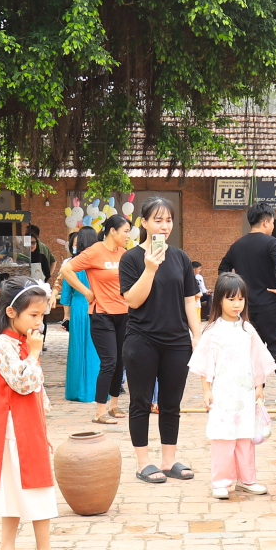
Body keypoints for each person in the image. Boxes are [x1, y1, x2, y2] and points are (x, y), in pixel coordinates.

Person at [120, 197, 202, 485]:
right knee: (140, 402)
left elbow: (189, 300)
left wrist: (197, 334)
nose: (164, 225)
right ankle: (144, 462)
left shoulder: (180, 257)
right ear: (143, 223)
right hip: (142, 340)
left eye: (168, 220)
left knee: (172, 403)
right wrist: (150, 268)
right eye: (158, 219)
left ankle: (169, 461)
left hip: (176, 341)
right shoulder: (131, 258)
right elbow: (132, 299)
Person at [0, 277, 66, 550]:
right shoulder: (4, 345)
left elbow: (37, 391)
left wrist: (43, 430)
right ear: (11, 312)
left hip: (26, 424)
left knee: (16, 485)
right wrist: (33, 353)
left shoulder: (20, 341)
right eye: (33, 315)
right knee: (34, 485)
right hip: (14, 426)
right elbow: (23, 383)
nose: (38, 322)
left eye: (42, 315)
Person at [188, 273, 276, 501]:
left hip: (245, 392)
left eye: (240, 299)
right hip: (223, 394)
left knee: (245, 436)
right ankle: (221, 481)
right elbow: (206, 363)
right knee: (223, 436)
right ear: (218, 300)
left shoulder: (248, 330)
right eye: (230, 299)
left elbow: (257, 359)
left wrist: (259, 386)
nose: (237, 304)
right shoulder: (212, 331)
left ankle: (247, 479)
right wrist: (206, 390)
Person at [66, 214, 133, 422]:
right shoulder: (94, 251)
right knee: (109, 362)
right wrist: (86, 292)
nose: (128, 236)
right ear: (112, 231)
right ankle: (100, 411)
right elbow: (66, 269)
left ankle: (114, 405)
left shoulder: (124, 254)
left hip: (124, 314)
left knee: (121, 362)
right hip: (102, 315)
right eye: (125, 232)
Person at [217, 204, 276, 351]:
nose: (272, 226)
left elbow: (222, 270)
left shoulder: (236, 246)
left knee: (248, 351)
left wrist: (234, 294)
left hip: (245, 309)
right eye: (273, 223)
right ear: (266, 222)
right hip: (270, 306)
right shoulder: (271, 242)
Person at [57, 226, 101, 403]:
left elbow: (66, 294)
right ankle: (95, 391)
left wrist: (66, 316)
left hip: (78, 306)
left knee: (77, 348)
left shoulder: (72, 264)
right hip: (96, 306)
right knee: (96, 349)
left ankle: (76, 390)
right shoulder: (99, 262)